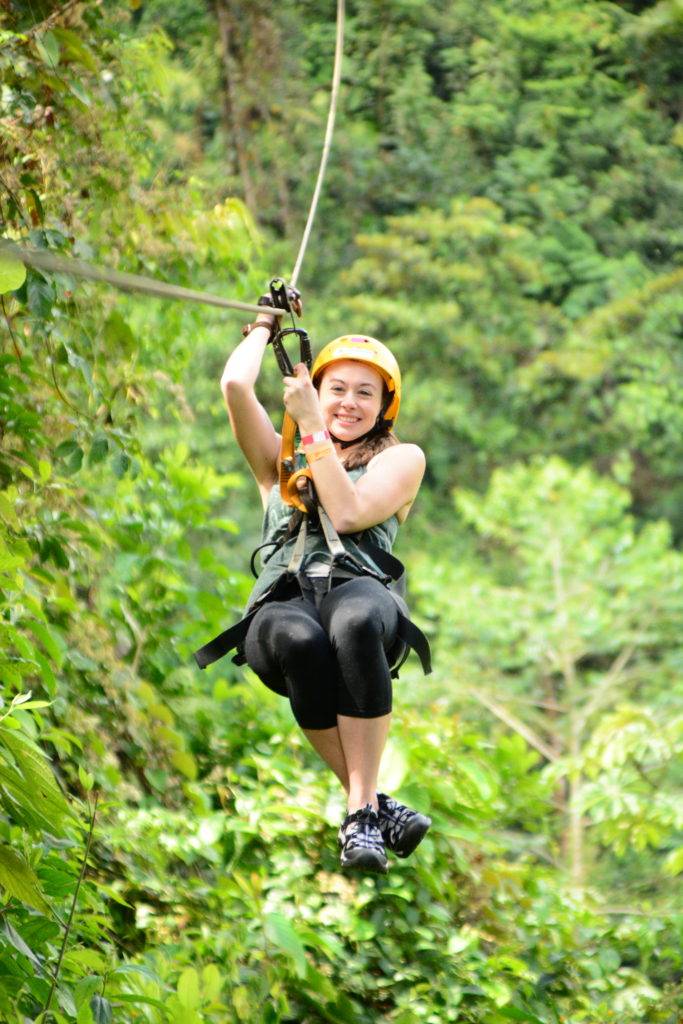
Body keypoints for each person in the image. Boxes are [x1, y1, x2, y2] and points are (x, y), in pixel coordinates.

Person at [200, 308, 432, 873]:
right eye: (336, 390)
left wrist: (312, 426)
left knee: (351, 623)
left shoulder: (401, 459)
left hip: (361, 595)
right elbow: (234, 384)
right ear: (314, 389)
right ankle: (372, 808)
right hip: (285, 603)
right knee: (298, 638)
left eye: (364, 394)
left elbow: (349, 512)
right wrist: (262, 328)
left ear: (384, 408)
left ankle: (359, 809)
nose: (349, 402)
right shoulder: (278, 462)